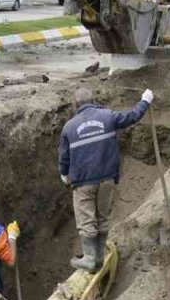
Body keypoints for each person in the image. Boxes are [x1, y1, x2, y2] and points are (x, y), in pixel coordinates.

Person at [59, 85, 153, 271]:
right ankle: (99, 257)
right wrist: (145, 101)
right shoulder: (108, 116)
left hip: (83, 181)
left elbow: (64, 157)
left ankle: (90, 259)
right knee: (102, 217)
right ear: (93, 101)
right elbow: (132, 116)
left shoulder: (69, 127)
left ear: (75, 105)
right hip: (107, 179)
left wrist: (64, 174)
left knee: (86, 219)